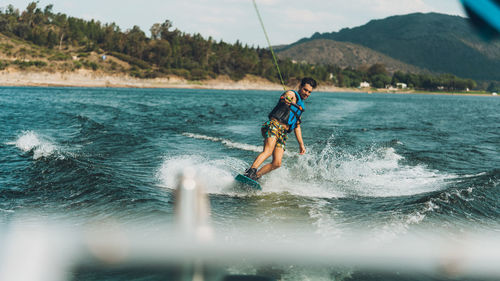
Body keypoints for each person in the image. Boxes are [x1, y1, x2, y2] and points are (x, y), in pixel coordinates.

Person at [244, 77, 317, 180]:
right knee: (268, 151)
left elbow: (297, 126)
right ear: (300, 87)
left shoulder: (301, 106)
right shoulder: (291, 94)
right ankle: (250, 171)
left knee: (277, 163)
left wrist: (301, 144)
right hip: (273, 125)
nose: (307, 93)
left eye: (309, 92)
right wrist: (286, 99)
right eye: (305, 90)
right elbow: (286, 96)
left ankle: (255, 176)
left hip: (283, 133)